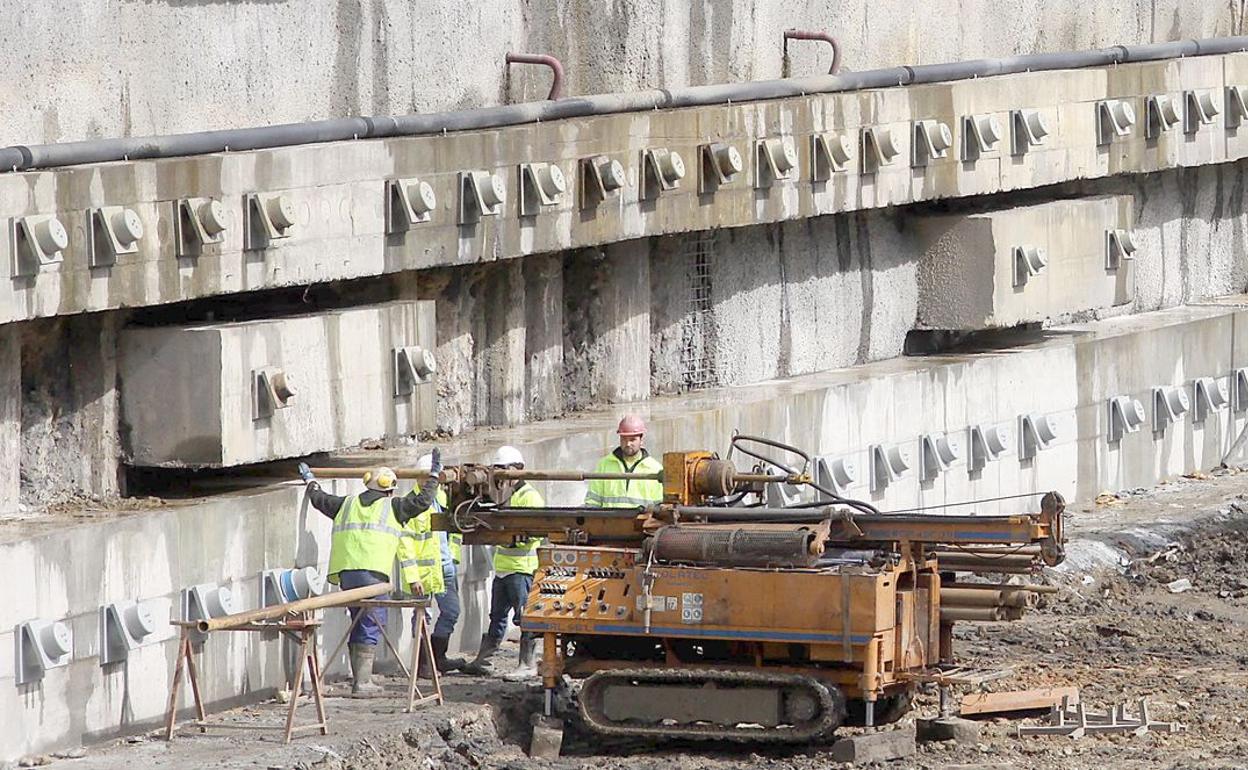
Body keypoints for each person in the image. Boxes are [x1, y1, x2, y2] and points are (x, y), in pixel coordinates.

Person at [299, 453, 440, 696]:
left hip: (347, 576)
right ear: (389, 489)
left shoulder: (347, 503)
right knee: (371, 623)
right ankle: (361, 682)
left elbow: (320, 499)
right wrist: (435, 476)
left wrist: (310, 480)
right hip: (372, 575)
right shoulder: (392, 506)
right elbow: (422, 502)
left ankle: (361, 677)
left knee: (358, 620)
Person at [461, 445, 545, 679]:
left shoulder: (530, 497)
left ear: (518, 470)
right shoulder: (500, 496)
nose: (500, 476)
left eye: (504, 470)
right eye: (496, 470)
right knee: (497, 617)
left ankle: (527, 663)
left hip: (522, 570)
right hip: (503, 569)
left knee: (524, 618)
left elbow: (538, 532)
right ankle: (484, 661)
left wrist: (513, 541)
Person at [396, 452, 466, 676]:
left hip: (444, 568)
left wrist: (453, 557)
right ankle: (424, 664)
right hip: (424, 574)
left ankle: (437, 657)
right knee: (422, 619)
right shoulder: (411, 504)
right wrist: (413, 576)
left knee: (452, 611)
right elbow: (404, 544)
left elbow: (454, 531)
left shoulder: (442, 499)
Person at [584, 414, 664, 508]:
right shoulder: (604, 465)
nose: (628, 444)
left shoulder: (655, 469)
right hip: (609, 521)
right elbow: (593, 502)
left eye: (632, 439)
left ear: (641, 440)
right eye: (624, 439)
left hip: (643, 522)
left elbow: (660, 507)